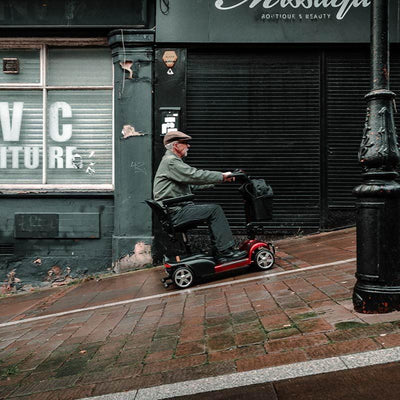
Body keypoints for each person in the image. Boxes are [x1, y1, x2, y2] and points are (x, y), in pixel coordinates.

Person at [153, 130, 247, 263]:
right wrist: (221, 176)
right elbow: (195, 175)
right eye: (185, 143)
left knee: (210, 211)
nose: (188, 146)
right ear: (175, 146)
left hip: (174, 210)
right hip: (176, 212)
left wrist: (222, 180)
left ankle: (219, 249)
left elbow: (192, 185)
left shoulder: (171, 161)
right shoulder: (171, 162)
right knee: (214, 210)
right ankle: (226, 252)